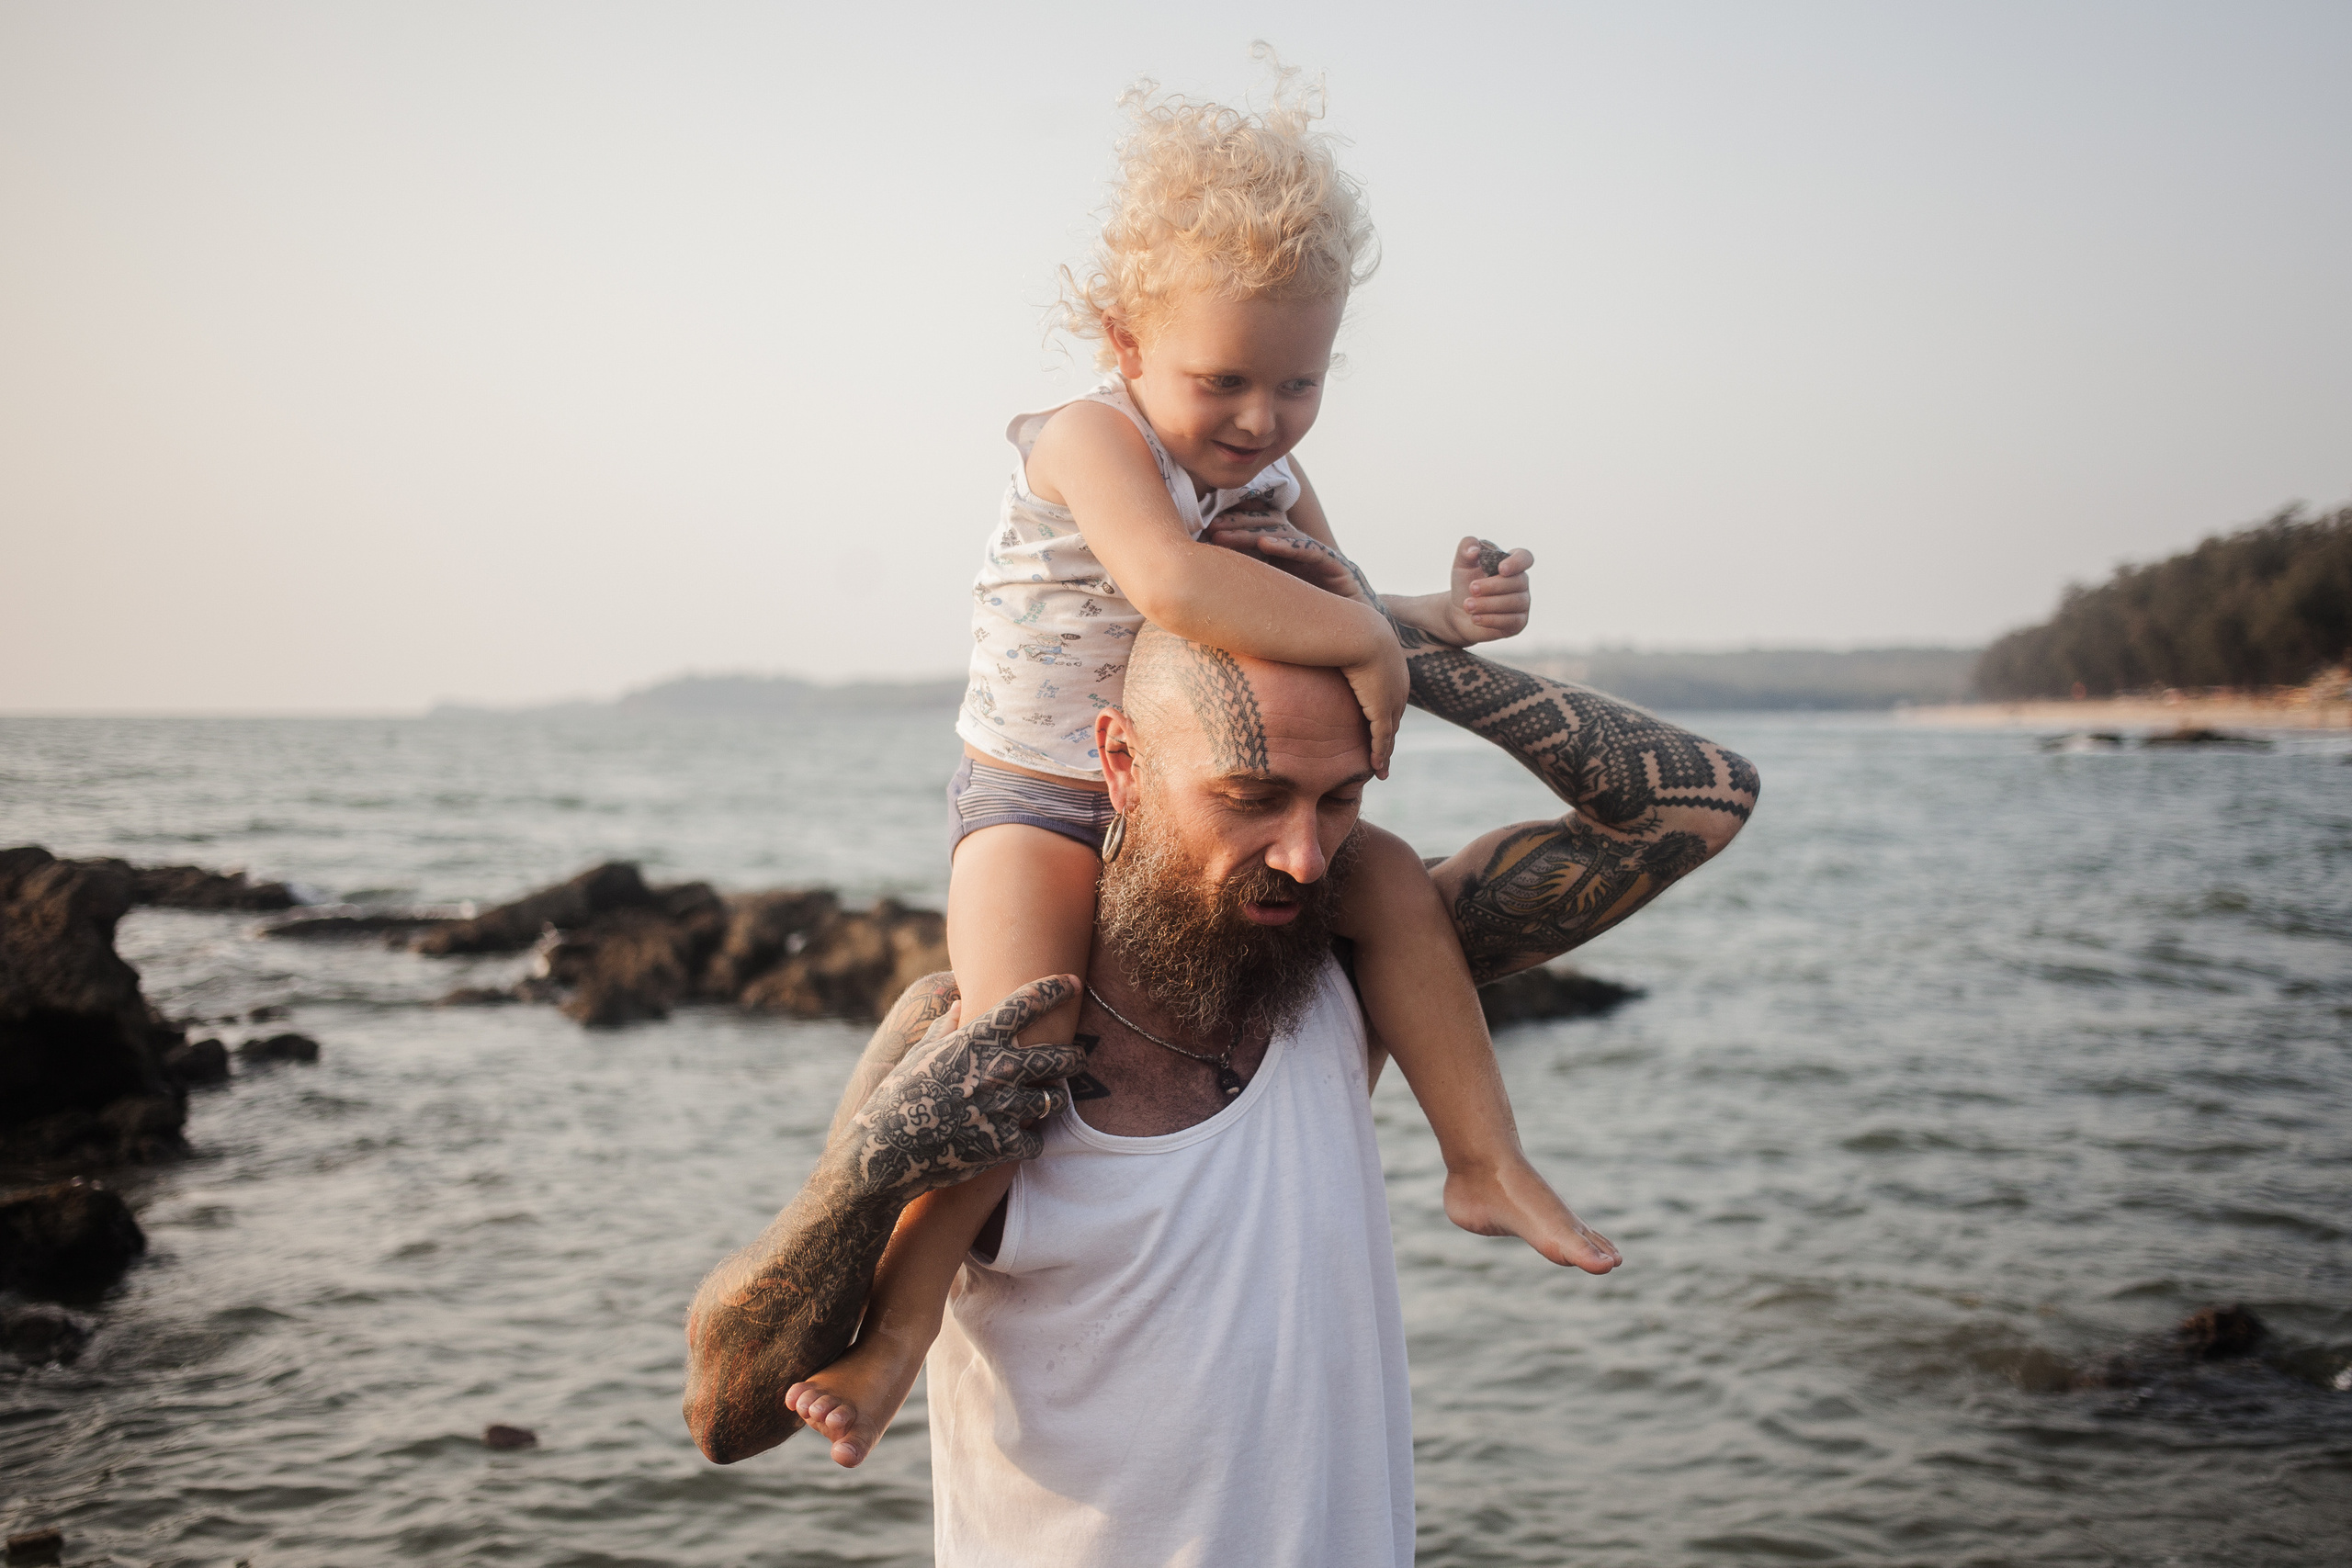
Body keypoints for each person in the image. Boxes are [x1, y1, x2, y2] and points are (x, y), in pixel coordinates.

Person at [770, 69, 1615, 1468]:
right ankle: (899, 1329)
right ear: (1124, 337)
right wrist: (1362, 642)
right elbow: (1173, 581)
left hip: (1183, 801)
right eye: (1221, 377)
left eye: (1299, 382)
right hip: (1038, 795)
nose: (1259, 419)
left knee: (1392, 879)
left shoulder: (1271, 483)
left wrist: (1441, 619)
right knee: (1017, 1041)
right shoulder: (1091, 438)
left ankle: (1482, 1158)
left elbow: (1329, 587)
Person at [684, 627, 1759, 1565]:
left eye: (1340, 799)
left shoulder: (1354, 969)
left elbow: (1694, 799)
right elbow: (727, 1419)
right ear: (1121, 761)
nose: (1301, 855)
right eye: (1250, 800)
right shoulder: (967, 1039)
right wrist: (864, 1175)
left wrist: (1381, 639)